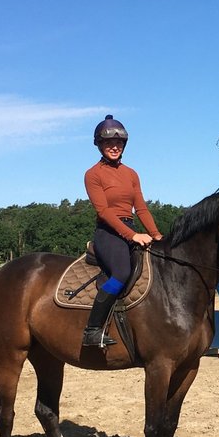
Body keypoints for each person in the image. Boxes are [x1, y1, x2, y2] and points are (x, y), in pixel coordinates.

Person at [81, 115, 163, 348]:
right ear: (99, 145)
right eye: (108, 144)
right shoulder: (93, 174)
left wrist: (156, 235)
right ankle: (92, 329)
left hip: (131, 227)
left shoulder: (131, 174)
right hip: (108, 233)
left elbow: (142, 208)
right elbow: (104, 211)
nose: (114, 147)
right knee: (121, 273)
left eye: (118, 143)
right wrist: (133, 235)